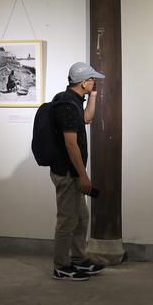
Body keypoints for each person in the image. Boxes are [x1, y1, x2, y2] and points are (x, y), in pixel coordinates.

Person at [49, 62, 108, 282]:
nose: (95, 83)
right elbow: (70, 143)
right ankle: (61, 266)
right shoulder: (66, 104)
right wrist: (83, 176)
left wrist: (93, 95)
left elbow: (87, 119)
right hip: (67, 173)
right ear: (84, 82)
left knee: (81, 218)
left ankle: (78, 258)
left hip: (73, 172)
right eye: (92, 80)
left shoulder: (73, 101)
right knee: (67, 220)